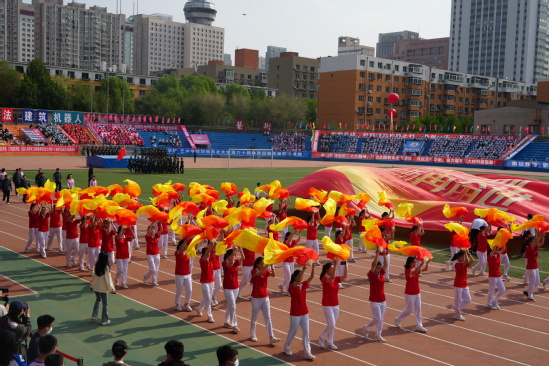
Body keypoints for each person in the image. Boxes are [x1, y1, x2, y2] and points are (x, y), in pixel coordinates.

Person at [283, 262, 316, 360]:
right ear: (295, 277)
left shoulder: (302, 285)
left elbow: (311, 277)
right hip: (295, 313)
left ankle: (307, 352)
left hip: (304, 312)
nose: (301, 277)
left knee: (306, 333)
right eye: (300, 275)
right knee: (293, 331)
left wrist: (313, 267)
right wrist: (304, 269)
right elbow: (297, 282)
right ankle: (287, 347)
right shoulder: (292, 285)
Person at [394, 256, 430, 333]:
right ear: (410, 263)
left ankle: (419, 325)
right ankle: (398, 319)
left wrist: (427, 263)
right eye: (414, 262)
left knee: (418, 309)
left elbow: (425, 269)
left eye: (415, 262)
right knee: (410, 310)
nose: (415, 263)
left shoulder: (415, 268)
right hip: (409, 293)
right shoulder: (407, 271)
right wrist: (420, 265)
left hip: (417, 292)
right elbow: (414, 272)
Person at [249, 257, 280, 344]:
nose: (262, 265)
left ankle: (271, 336)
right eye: (261, 263)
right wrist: (267, 264)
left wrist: (272, 265)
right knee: (255, 317)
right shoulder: (254, 272)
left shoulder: (265, 271)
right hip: (256, 298)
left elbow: (273, 275)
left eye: (263, 263)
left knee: (268, 317)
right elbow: (260, 272)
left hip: (265, 297)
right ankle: (252, 334)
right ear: (257, 264)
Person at [318, 258, 347, 350]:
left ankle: (330, 342)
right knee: (331, 324)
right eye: (331, 268)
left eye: (333, 268)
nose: (333, 269)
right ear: (327, 270)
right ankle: (322, 336)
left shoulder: (336, 279)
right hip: (327, 305)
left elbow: (345, 275)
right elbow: (331, 277)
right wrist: (335, 263)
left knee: (332, 325)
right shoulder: (324, 278)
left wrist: (345, 264)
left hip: (336, 304)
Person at [363, 247, 388, 343]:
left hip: (382, 299)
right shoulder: (371, 275)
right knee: (378, 318)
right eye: (377, 267)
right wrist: (377, 254)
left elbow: (386, 265)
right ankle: (367, 327)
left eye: (379, 267)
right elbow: (373, 265)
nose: (379, 268)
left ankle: (378, 335)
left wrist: (384, 255)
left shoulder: (381, 274)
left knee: (381, 319)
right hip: (374, 300)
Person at [222, 246, 244, 333]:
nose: (234, 256)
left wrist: (240, 250)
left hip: (235, 287)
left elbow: (243, 258)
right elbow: (230, 262)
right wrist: (234, 249)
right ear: (227, 256)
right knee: (233, 305)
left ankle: (226, 321)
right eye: (232, 254)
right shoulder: (224, 263)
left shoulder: (235, 262)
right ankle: (234, 325)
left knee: (230, 305)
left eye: (234, 255)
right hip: (228, 288)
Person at [90, 252, 116, 325]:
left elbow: (94, 277)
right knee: (105, 303)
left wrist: (91, 286)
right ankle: (104, 320)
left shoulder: (97, 265)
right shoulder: (106, 267)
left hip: (96, 287)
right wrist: (111, 289)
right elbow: (108, 279)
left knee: (98, 300)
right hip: (103, 288)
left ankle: (94, 315)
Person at [452, 249, 474, 321]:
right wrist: (465, 253)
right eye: (462, 257)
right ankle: (458, 315)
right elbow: (467, 261)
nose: (463, 258)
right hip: (458, 285)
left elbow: (472, 261)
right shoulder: (457, 264)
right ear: (459, 258)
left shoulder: (464, 263)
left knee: (468, 299)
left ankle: (457, 307)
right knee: (458, 300)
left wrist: (468, 254)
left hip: (464, 284)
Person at [196, 241, 215, 323]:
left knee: (208, 297)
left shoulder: (210, 259)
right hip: (204, 282)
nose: (209, 254)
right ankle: (209, 315)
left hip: (211, 281)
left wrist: (216, 244)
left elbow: (217, 252)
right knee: (208, 299)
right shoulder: (202, 260)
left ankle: (199, 308)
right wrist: (211, 247)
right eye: (207, 252)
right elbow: (207, 254)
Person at [278, 230, 301, 296]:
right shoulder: (285, 242)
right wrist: (294, 232)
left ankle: (281, 286)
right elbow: (289, 239)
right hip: (286, 262)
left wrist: (299, 233)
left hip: (291, 262)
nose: (291, 237)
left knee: (290, 276)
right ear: (287, 237)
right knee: (288, 276)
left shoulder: (292, 243)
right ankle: (289, 290)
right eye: (290, 236)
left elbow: (298, 240)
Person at [523, 233, 545, 301]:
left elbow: (541, 243)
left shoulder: (534, 247)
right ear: (529, 242)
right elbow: (536, 243)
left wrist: (543, 236)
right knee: (532, 282)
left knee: (537, 282)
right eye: (533, 241)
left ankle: (527, 291)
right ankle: (530, 296)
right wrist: (539, 236)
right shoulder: (528, 248)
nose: (534, 242)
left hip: (535, 267)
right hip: (530, 268)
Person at [174, 239, 192, 312]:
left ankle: (186, 304)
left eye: (186, 245)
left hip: (187, 274)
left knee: (189, 290)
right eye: (184, 245)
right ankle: (177, 304)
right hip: (179, 275)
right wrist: (185, 240)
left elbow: (195, 247)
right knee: (179, 291)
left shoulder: (188, 253)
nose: (185, 246)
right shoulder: (177, 253)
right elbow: (181, 249)